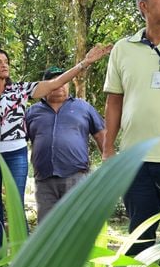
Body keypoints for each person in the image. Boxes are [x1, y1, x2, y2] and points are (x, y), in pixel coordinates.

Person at [0, 45, 112, 258]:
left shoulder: (20, 91)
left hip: (15, 155)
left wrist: (85, 63)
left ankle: (22, 262)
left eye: (6, 61)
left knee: (16, 209)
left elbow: (55, 82)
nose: (4, 64)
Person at [103, 0, 160, 259]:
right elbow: (114, 101)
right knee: (140, 235)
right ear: (143, 5)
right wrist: (108, 149)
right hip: (135, 160)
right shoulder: (123, 48)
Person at [26, 66, 105, 222]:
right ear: (45, 86)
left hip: (76, 176)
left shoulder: (84, 107)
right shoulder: (32, 112)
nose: (60, 85)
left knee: (76, 227)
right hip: (44, 180)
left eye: (64, 81)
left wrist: (111, 167)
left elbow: (102, 136)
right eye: (54, 81)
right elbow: (19, 143)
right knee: (47, 230)